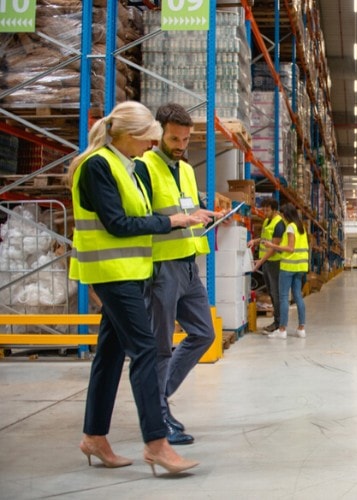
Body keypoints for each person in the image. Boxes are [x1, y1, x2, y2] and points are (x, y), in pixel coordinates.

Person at [68, 101, 205, 476]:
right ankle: (157, 444)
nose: (151, 146)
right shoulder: (98, 166)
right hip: (111, 273)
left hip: (129, 271)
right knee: (146, 351)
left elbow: (133, 217)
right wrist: (171, 222)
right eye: (148, 138)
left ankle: (94, 437)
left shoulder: (123, 166)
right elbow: (117, 223)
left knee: (110, 355)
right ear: (128, 136)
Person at [133, 103, 219, 446]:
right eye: (174, 138)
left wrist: (199, 213)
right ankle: (158, 414)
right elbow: (141, 219)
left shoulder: (185, 169)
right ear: (159, 134)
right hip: (161, 267)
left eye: (185, 138)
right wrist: (181, 220)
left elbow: (184, 207)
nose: (180, 144)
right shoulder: (143, 167)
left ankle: (158, 397)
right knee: (160, 346)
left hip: (188, 263)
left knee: (203, 333)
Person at [260, 203, 308, 339]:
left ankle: (282, 330)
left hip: (288, 267)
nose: (281, 217)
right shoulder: (301, 228)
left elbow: (290, 248)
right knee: (298, 296)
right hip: (300, 268)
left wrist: (272, 245)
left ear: (286, 215)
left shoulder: (290, 228)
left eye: (282, 214)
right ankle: (301, 328)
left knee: (283, 298)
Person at [247, 198, 285, 333]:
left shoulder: (279, 224)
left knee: (275, 293)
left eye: (267, 210)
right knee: (271, 292)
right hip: (267, 262)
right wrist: (255, 241)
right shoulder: (267, 221)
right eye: (263, 209)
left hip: (275, 262)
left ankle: (278, 323)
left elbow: (273, 247)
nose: (264, 212)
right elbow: (265, 239)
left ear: (274, 210)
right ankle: (277, 322)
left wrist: (260, 262)